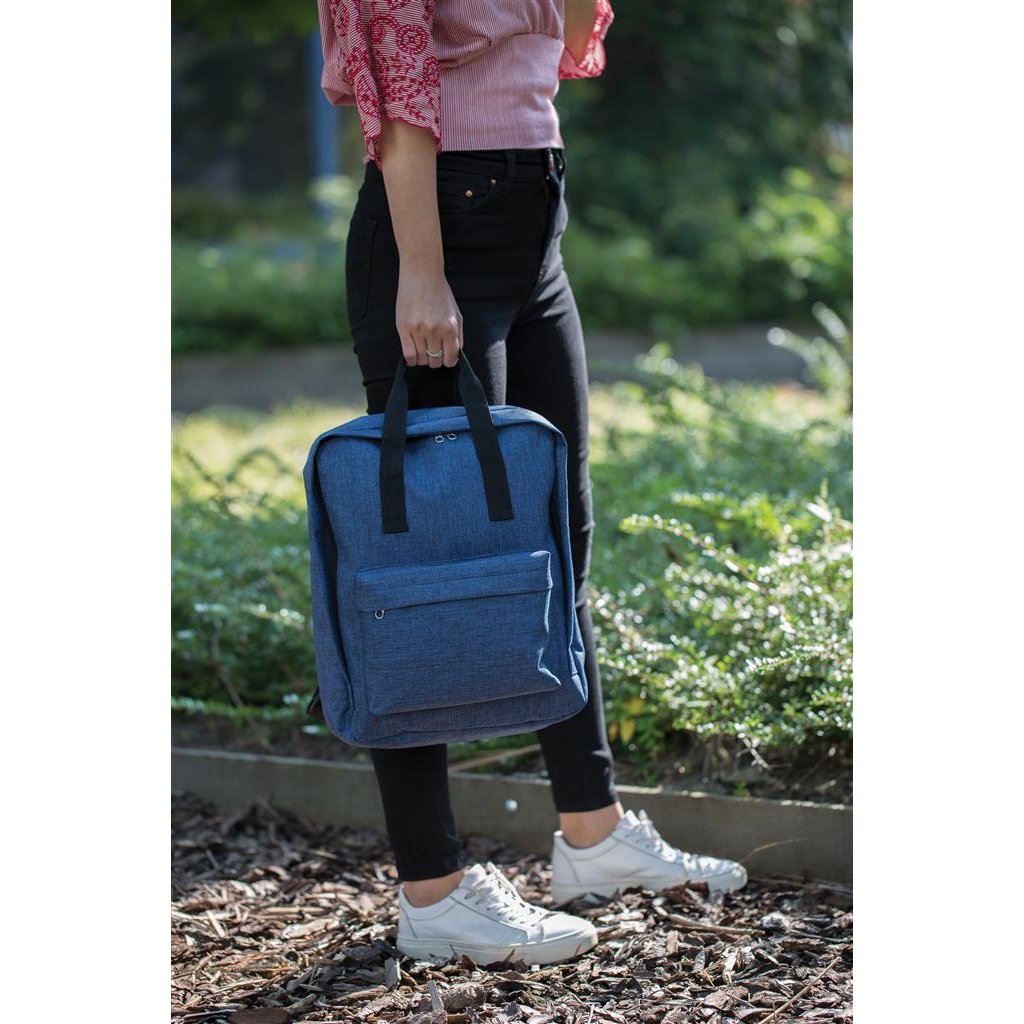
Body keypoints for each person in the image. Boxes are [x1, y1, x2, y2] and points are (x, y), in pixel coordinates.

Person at [314, 0, 747, 965]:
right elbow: (397, 79)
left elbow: (557, 45)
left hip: (531, 223)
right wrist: (421, 273)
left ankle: (593, 835)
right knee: (422, 569)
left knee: (558, 538)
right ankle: (434, 892)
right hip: (436, 229)